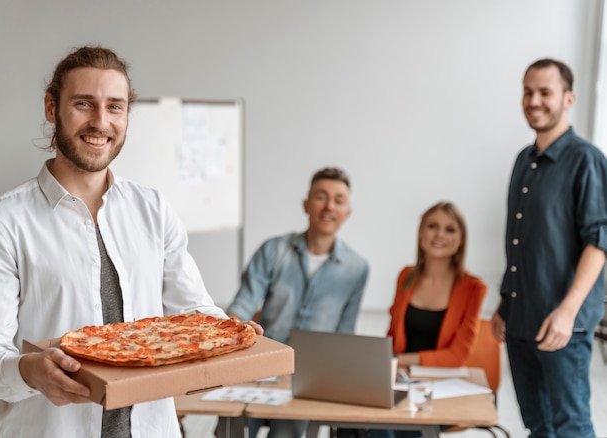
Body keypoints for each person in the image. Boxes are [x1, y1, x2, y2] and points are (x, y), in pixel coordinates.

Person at [0, 45, 257, 438]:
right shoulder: (3, 221)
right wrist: (29, 371)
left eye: (115, 106)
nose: (100, 122)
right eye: (83, 103)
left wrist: (228, 333)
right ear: (50, 108)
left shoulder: (153, 208)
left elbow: (194, 311)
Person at [491, 58, 607, 438]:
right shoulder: (523, 162)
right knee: (538, 427)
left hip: (562, 326)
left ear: (568, 98)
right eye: (528, 92)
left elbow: (599, 242)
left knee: (571, 427)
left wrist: (568, 311)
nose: (534, 100)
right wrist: (505, 305)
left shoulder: (586, 160)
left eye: (545, 92)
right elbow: (521, 244)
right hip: (520, 323)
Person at [227, 166, 369, 438]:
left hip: (310, 376)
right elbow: (241, 308)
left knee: (289, 432)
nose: (329, 206)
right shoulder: (274, 249)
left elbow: (344, 333)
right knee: (233, 429)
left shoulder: (357, 268)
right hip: (259, 363)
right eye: (321, 196)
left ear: (347, 213)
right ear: (306, 204)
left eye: (339, 200)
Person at [338, 201, 487, 438]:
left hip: (439, 389)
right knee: (348, 419)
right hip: (400, 380)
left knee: (388, 428)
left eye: (450, 229)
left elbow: (458, 355)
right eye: (432, 226)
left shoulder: (473, 288)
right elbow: (393, 336)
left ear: (461, 240)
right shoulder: (406, 276)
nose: (439, 234)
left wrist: (400, 359)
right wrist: (385, 362)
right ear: (421, 233)